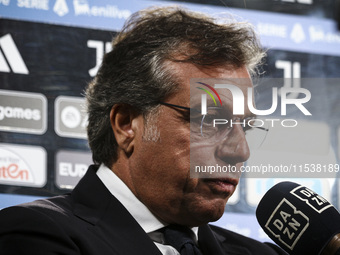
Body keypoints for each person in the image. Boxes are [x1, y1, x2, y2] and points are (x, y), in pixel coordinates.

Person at [0, 6, 286, 255]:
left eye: (245, 128)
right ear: (126, 124)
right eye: (211, 120)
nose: (240, 151)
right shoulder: (35, 234)